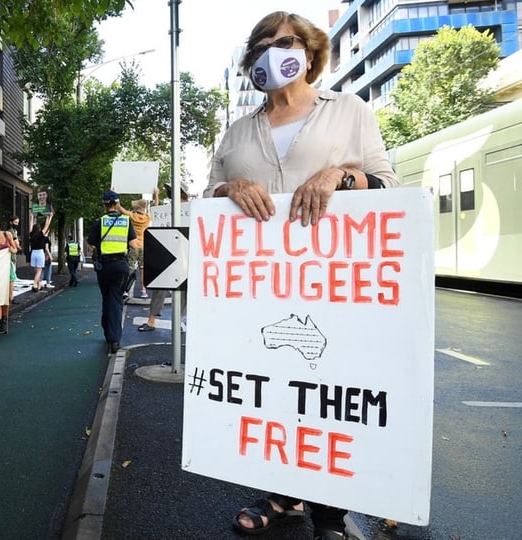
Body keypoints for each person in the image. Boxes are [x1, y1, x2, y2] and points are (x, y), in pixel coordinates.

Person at [207, 12, 398, 540]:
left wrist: (341, 175)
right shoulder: (238, 129)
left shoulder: (349, 111)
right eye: (261, 44)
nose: (272, 51)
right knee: (275, 391)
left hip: (334, 282)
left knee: (329, 392)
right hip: (262, 286)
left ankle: (327, 514)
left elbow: (387, 181)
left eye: (284, 41)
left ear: (310, 51)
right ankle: (284, 493)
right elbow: (208, 194)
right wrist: (231, 189)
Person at [87, 190, 137, 354]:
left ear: (104, 205)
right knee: (116, 300)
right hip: (121, 266)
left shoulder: (98, 223)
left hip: (104, 267)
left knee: (106, 298)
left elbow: (91, 247)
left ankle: (108, 333)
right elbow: (135, 244)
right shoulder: (126, 221)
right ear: (117, 204)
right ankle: (114, 339)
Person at [138, 182, 190, 333]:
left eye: (173, 191)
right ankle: (152, 320)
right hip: (167, 254)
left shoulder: (191, 210)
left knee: (184, 290)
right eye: (170, 191)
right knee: (158, 286)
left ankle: (179, 321)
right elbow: (157, 222)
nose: (171, 194)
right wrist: (156, 197)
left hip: (185, 256)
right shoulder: (167, 211)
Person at [119, 188, 158, 298]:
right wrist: (156, 195)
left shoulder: (133, 216)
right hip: (144, 246)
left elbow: (120, 209)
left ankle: (125, 290)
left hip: (134, 245)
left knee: (130, 267)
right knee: (142, 268)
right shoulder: (147, 217)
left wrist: (115, 195)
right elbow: (156, 206)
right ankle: (143, 291)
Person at [28, 212, 53, 291]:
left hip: (33, 253)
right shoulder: (41, 234)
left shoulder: (31, 234)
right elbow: (47, 225)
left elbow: (30, 225)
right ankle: (35, 284)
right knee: (39, 271)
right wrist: (49, 217)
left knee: (36, 270)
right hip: (40, 253)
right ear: (39, 229)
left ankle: (39, 285)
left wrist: (31, 217)